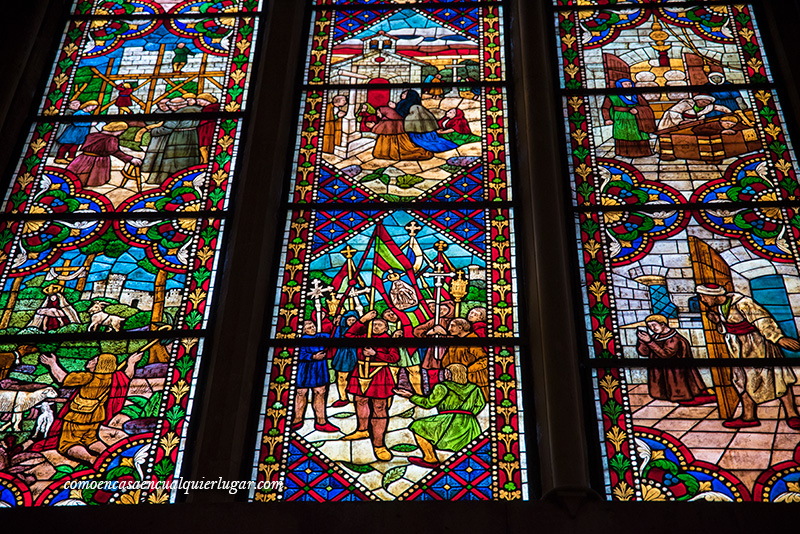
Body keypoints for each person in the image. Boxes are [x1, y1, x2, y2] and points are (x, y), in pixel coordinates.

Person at [696, 283, 800, 429]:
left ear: (714, 295)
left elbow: (763, 320)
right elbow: (730, 328)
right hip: (738, 349)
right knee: (741, 381)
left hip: (758, 346)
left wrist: (778, 338)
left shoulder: (743, 302)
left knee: (777, 378)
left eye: (703, 296)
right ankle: (748, 416)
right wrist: (718, 322)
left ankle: (792, 414)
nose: (702, 299)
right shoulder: (720, 307)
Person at [38, 351, 143, 464]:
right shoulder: (112, 378)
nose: (90, 360)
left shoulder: (88, 378)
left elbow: (62, 379)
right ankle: (114, 457)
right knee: (91, 440)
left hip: (77, 416)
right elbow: (127, 376)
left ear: (100, 365)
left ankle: (93, 460)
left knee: (67, 444)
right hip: (96, 416)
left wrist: (52, 364)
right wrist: (131, 363)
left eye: (94, 360)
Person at [396, 363, 485, 468]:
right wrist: (466, 414)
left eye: (446, 372)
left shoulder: (442, 386)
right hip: (470, 423)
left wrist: (411, 396)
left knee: (417, 426)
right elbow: (480, 404)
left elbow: (428, 403)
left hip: (447, 420)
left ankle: (430, 458)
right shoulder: (475, 388)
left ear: (449, 374)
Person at [343, 311, 399, 462]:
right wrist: (362, 320)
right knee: (360, 400)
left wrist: (376, 354)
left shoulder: (388, 340)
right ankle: (362, 430)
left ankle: (379, 444)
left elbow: (394, 358)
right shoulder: (364, 337)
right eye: (373, 323)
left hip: (380, 372)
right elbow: (348, 336)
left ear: (386, 328)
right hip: (361, 370)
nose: (375, 326)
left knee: (379, 407)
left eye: (380, 324)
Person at [635, 314, 714, 405]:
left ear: (662, 324)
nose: (652, 328)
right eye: (649, 326)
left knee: (679, 393)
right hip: (661, 370)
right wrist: (642, 341)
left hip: (675, 371)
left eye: (654, 325)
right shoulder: (655, 337)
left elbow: (666, 354)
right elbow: (644, 353)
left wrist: (649, 342)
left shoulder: (674, 339)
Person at [291, 321, 339, 433]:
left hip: (319, 369)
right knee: (301, 393)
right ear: (303, 330)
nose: (313, 328)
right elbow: (297, 352)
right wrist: (312, 356)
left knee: (320, 393)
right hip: (304, 369)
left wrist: (336, 325)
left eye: (313, 326)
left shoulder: (321, 336)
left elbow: (335, 338)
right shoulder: (300, 339)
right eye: (309, 327)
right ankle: (297, 420)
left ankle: (321, 422)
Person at [144, 97, 201, 184]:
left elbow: (167, 128)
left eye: (171, 106)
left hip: (178, 138)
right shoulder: (198, 111)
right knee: (189, 159)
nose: (170, 108)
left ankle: (169, 180)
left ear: (177, 106)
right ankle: (190, 178)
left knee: (173, 160)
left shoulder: (178, 114)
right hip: (193, 136)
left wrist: (153, 131)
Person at [66, 122, 142, 187]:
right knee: (91, 181)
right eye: (121, 131)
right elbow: (115, 152)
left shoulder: (92, 135)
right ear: (115, 130)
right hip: (98, 161)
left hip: (82, 159)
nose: (120, 134)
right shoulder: (111, 139)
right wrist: (131, 159)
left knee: (73, 177)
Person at [601, 78, 656, 157]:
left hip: (637, 119)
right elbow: (605, 108)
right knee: (624, 135)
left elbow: (646, 106)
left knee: (640, 135)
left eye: (630, 84)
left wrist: (638, 110)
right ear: (620, 85)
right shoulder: (612, 96)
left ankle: (643, 152)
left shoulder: (636, 95)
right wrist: (607, 119)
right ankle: (624, 153)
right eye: (625, 84)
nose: (628, 86)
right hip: (621, 119)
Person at [440, 318, 490, 401]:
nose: (449, 329)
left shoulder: (472, 340)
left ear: (460, 328)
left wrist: (467, 370)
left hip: (474, 380)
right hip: (457, 381)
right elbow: (446, 361)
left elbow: (484, 359)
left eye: (452, 326)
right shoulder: (455, 341)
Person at [54, 100, 98, 164]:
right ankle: (60, 158)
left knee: (75, 146)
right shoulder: (79, 113)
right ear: (87, 106)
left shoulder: (88, 114)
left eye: (94, 107)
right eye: (92, 106)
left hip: (81, 133)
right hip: (73, 132)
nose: (93, 108)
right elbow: (76, 123)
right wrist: (90, 124)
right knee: (67, 145)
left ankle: (71, 157)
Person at [330, 310, 359, 407]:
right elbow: (334, 339)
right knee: (342, 377)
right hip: (344, 354)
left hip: (358, 353)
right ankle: (343, 398)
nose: (351, 322)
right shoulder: (340, 329)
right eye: (349, 320)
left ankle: (359, 398)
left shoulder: (362, 329)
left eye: (353, 320)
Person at [657, 95, 732, 130]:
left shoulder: (708, 107)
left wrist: (730, 114)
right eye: (703, 101)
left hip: (692, 123)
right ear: (697, 100)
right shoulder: (686, 104)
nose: (705, 104)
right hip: (672, 121)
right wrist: (680, 122)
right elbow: (673, 112)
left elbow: (721, 108)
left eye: (707, 102)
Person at [196, 93, 220, 163]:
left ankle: (205, 162)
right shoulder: (216, 107)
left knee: (203, 147)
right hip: (208, 128)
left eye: (200, 101)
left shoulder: (209, 108)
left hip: (207, 129)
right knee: (207, 146)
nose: (198, 103)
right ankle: (204, 161)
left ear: (206, 100)